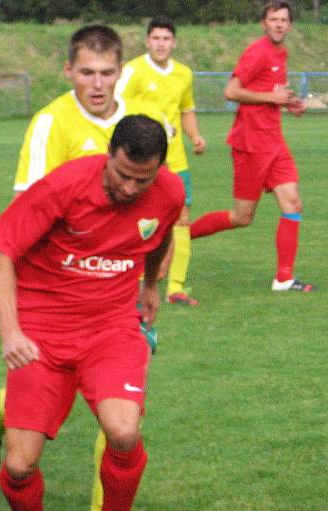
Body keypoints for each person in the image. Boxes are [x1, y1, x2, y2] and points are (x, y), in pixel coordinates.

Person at [0, 25, 173, 511]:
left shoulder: (143, 125)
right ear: (69, 72)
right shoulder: (49, 126)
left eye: (107, 72)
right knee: (22, 443)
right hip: (47, 308)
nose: (98, 83)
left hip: (109, 311)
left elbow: (164, 215)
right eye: (87, 72)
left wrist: (149, 284)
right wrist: (16, 325)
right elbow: (23, 223)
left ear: (121, 72)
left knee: (120, 425)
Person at [0, 115, 183, 511]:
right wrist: (11, 332)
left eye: (143, 179)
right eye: (122, 175)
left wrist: (151, 285)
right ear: (108, 156)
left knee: (122, 431)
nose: (131, 188)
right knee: (18, 465)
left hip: (111, 327)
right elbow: (1, 253)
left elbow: (161, 234)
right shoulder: (64, 186)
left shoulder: (169, 191)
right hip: (42, 329)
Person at [189, 1, 315, 292]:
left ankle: (284, 277)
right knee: (242, 217)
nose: (279, 24)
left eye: (284, 20)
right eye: (274, 19)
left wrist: (289, 104)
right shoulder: (257, 51)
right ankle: (178, 237)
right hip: (251, 144)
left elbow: (270, 94)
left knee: (293, 202)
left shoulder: (280, 52)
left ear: (290, 25)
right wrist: (273, 99)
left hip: (274, 141)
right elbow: (231, 91)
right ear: (264, 23)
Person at [115, 16, 207, 306]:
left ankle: (176, 288)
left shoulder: (183, 74)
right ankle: (137, 282)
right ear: (147, 41)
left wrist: (195, 136)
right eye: (156, 38)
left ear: (174, 42)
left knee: (181, 218)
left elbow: (186, 110)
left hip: (176, 160)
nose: (161, 44)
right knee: (140, 218)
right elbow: (117, 106)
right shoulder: (133, 71)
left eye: (166, 39)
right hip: (142, 162)